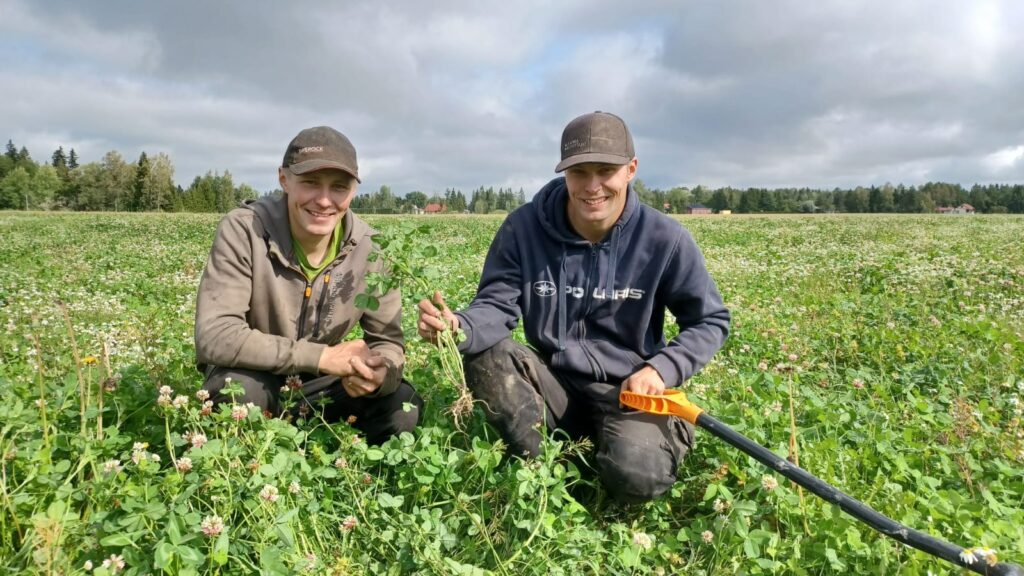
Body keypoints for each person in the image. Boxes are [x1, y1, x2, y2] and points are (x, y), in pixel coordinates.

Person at [418, 112, 729, 503]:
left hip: (629, 395)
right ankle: (544, 473)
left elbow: (709, 321)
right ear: (564, 172)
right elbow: (496, 306)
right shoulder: (524, 228)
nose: (593, 186)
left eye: (606, 171)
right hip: (555, 386)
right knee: (486, 354)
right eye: (580, 172)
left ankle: (629, 449)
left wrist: (660, 368)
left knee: (637, 476)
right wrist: (457, 327)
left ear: (630, 170)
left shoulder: (665, 239)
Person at [195, 126, 422, 444]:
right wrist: (321, 357)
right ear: (284, 179)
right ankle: (251, 470)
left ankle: (355, 474)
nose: (324, 200)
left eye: (339, 187)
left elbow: (388, 343)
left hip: (325, 386)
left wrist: (380, 373)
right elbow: (215, 336)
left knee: (402, 405)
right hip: (255, 376)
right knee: (240, 395)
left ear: (353, 191)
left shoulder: (374, 249)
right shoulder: (245, 230)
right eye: (310, 183)